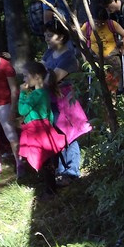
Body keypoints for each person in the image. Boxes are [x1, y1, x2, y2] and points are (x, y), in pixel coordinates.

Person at [42, 20, 81, 186]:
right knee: (57, 132)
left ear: (62, 37)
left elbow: (50, 79)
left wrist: (41, 76)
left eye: (50, 35)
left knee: (69, 134)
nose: (46, 38)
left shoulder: (68, 58)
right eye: (45, 35)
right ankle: (61, 168)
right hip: (51, 99)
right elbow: (42, 72)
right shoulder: (49, 53)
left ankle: (71, 171)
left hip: (66, 100)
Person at [18, 61, 65, 195]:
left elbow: (22, 110)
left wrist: (22, 94)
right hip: (44, 128)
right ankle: (50, 186)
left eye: (26, 76)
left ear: (37, 76)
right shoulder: (43, 93)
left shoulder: (35, 94)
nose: (24, 79)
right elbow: (49, 114)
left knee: (43, 159)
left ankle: (50, 190)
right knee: (46, 159)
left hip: (36, 130)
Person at [0, 30, 22, 178]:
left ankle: (19, 163)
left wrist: (13, 108)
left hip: (4, 104)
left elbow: (14, 89)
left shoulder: (4, 65)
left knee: (11, 135)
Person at [81, 7, 124, 93]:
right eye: (96, 22)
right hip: (95, 56)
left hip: (112, 55)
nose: (99, 25)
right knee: (98, 78)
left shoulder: (112, 24)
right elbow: (81, 40)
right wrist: (85, 55)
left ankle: (116, 94)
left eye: (102, 23)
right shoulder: (87, 26)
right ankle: (99, 96)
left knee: (116, 77)